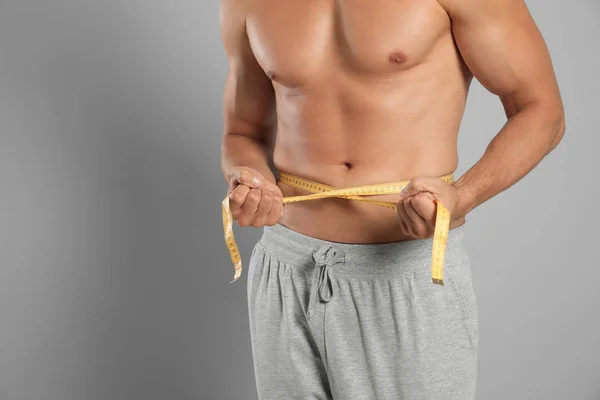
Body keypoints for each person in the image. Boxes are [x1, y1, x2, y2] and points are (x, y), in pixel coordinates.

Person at [218, 0, 564, 398]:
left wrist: (462, 197)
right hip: (287, 265)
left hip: (403, 272)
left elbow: (542, 111)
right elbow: (241, 132)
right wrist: (250, 180)